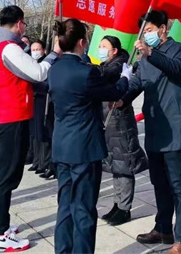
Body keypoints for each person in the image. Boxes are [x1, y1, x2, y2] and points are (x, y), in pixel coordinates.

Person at [119, 10, 181, 254]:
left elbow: (177, 68)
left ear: (163, 28)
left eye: (149, 30)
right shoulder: (145, 59)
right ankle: (163, 228)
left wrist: (150, 53)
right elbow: (137, 84)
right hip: (154, 128)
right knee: (159, 182)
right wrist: (120, 99)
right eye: (143, 32)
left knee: (179, 185)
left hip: (175, 130)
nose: (146, 35)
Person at [48, 19, 132, 254]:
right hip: (84, 148)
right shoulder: (86, 72)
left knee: (65, 206)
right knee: (84, 209)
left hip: (62, 146)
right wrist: (125, 77)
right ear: (82, 42)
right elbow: (113, 92)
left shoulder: (54, 69)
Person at [0, 5, 59, 252]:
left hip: (0, 118)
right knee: (6, 177)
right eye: (24, 23)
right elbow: (37, 72)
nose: (24, 28)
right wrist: (54, 54)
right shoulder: (9, 48)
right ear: (18, 23)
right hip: (12, 119)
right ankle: (1, 235)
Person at [97, 35, 148, 226]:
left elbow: (129, 85)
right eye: (100, 46)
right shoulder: (106, 65)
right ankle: (117, 204)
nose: (100, 49)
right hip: (107, 119)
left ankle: (124, 208)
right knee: (114, 163)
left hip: (120, 120)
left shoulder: (119, 66)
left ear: (115, 50)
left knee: (124, 163)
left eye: (104, 46)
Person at [28, 40, 56, 179]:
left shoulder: (47, 64)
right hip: (34, 100)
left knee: (44, 131)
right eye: (33, 49)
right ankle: (37, 161)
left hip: (44, 100)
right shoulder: (30, 63)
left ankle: (45, 162)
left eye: (38, 49)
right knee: (35, 132)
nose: (35, 52)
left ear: (44, 50)